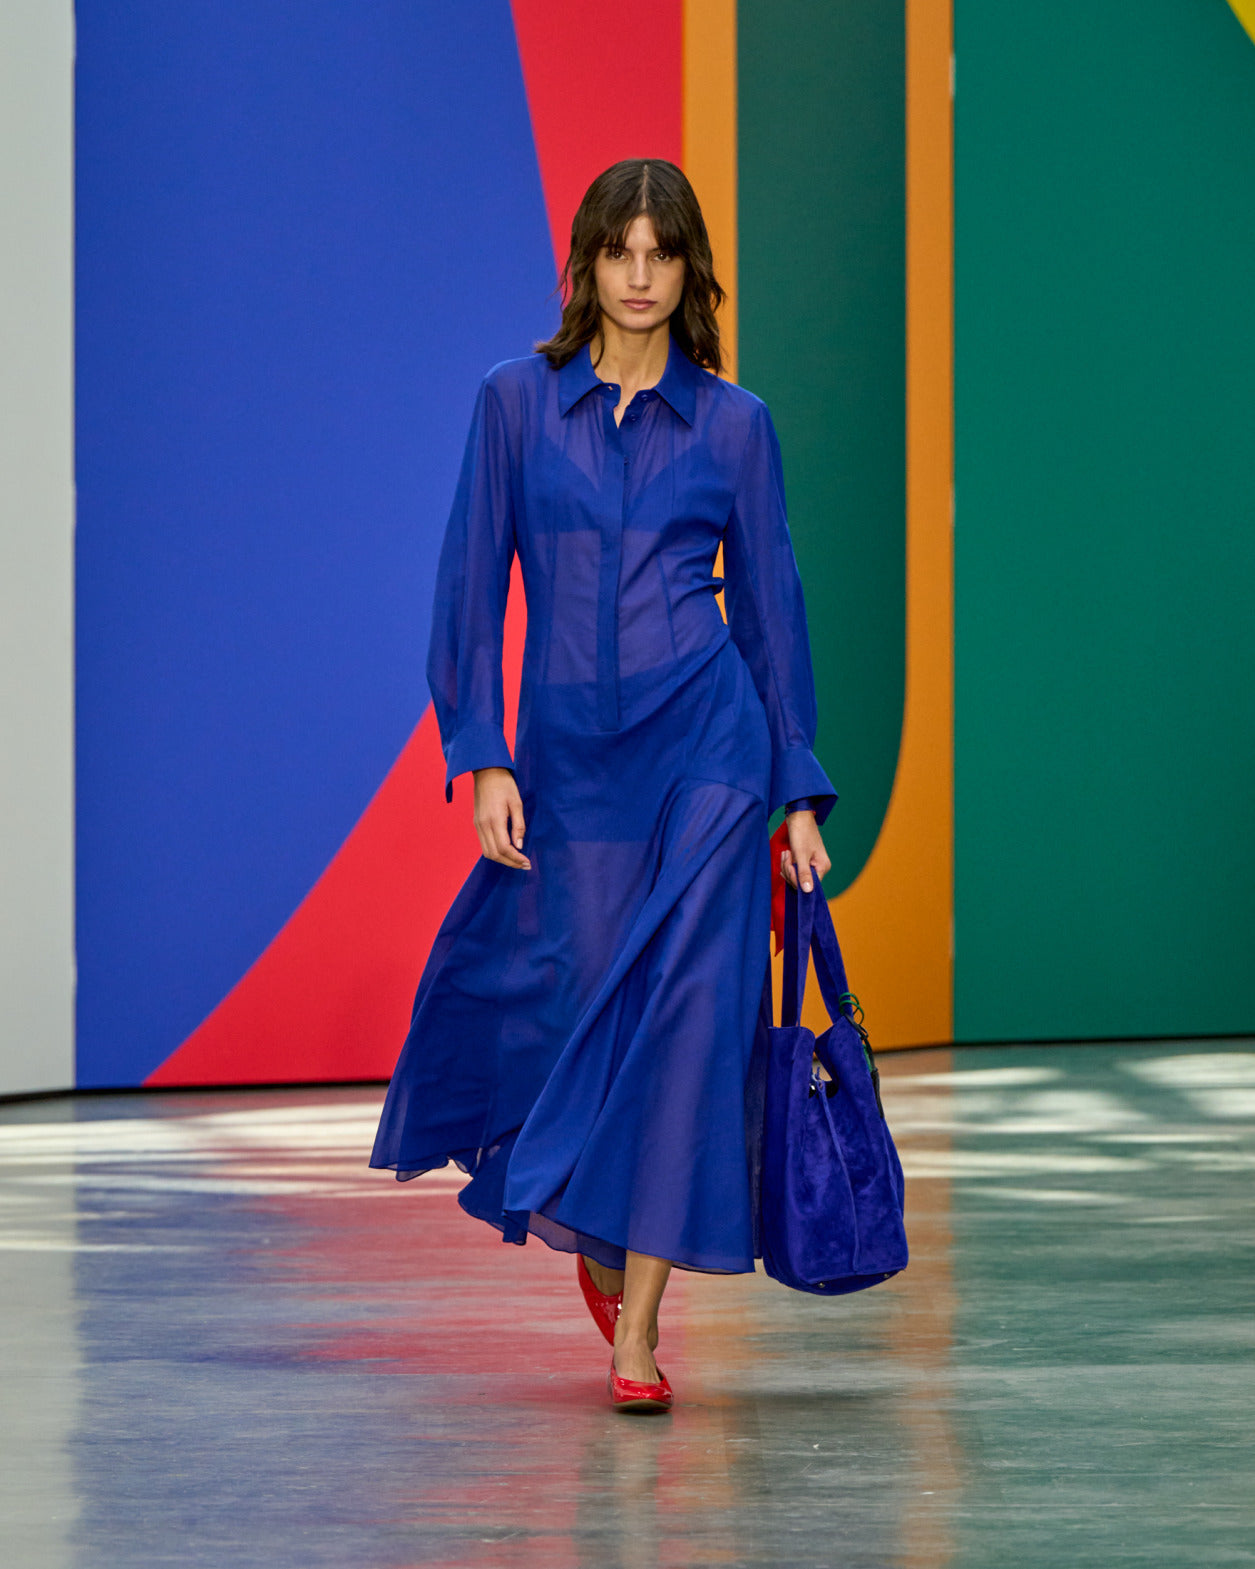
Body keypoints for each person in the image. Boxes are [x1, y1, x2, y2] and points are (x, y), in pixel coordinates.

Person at [371, 158, 836, 1413]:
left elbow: (775, 614)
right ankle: (603, 1230)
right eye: (618, 250)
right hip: (568, 765)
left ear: (689, 271)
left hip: (711, 756)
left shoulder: (735, 424)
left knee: (689, 1027)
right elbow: (470, 587)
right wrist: (481, 754)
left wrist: (794, 789)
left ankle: (636, 1331)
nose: (639, 275)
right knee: (575, 1010)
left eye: (661, 252)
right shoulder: (514, 404)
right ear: (584, 263)